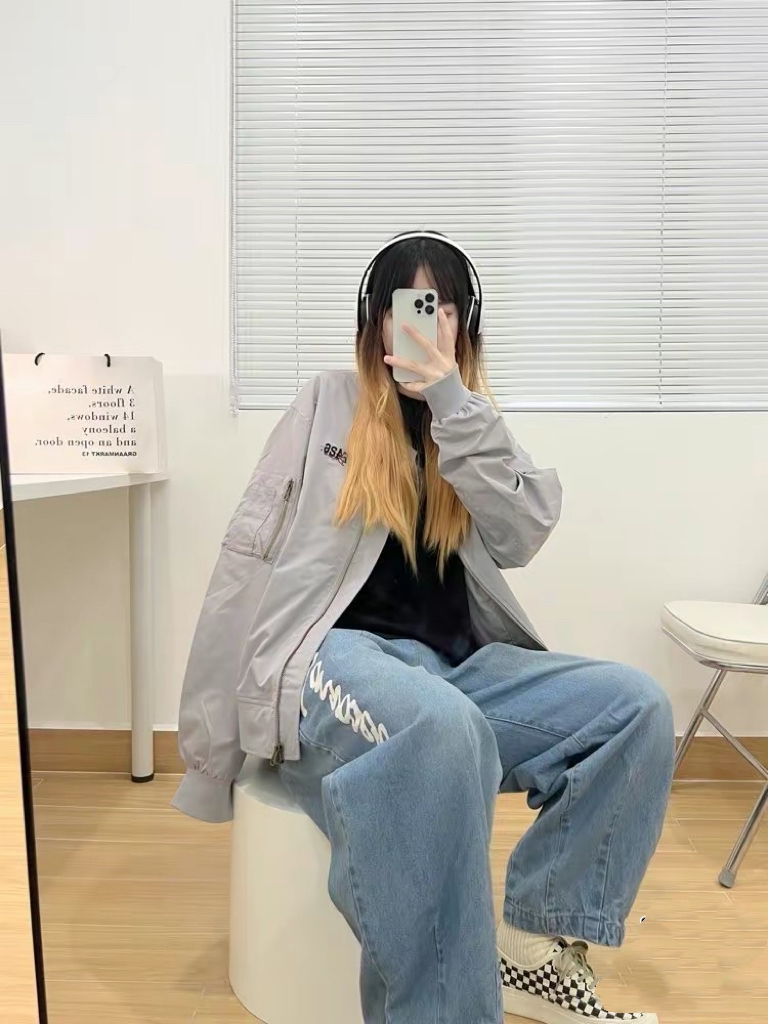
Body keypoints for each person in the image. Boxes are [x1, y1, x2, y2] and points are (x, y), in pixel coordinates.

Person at [172, 230, 675, 1024]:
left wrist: (451, 403)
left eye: (439, 307)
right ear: (375, 319)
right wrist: (211, 755)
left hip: (458, 667)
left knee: (636, 708)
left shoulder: (469, 421)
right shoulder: (325, 404)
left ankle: (531, 952)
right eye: (407, 304)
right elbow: (246, 561)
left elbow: (524, 531)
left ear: (463, 325)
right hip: (338, 659)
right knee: (442, 728)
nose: (422, 322)